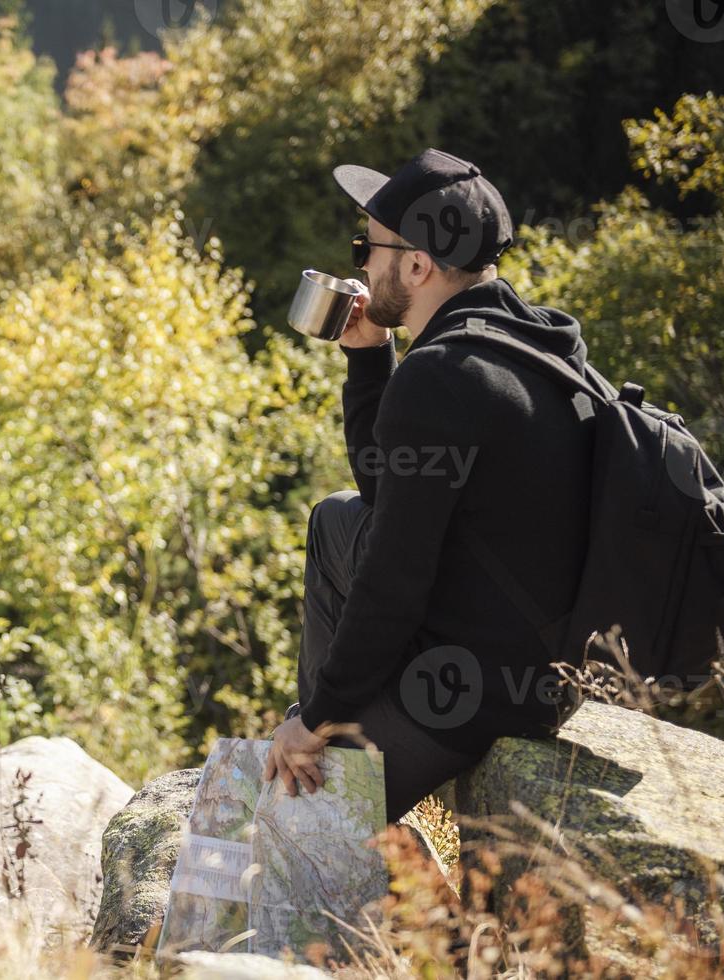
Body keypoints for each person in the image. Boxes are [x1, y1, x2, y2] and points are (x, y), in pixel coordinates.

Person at [261, 149, 598, 821]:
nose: (360, 264)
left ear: (415, 265)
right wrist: (367, 358)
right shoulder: (529, 342)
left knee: (291, 822)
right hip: (538, 665)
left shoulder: (441, 377)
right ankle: (327, 736)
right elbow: (389, 496)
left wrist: (317, 719)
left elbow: (394, 581)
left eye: (368, 248)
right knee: (337, 519)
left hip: (470, 690)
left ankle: (315, 767)